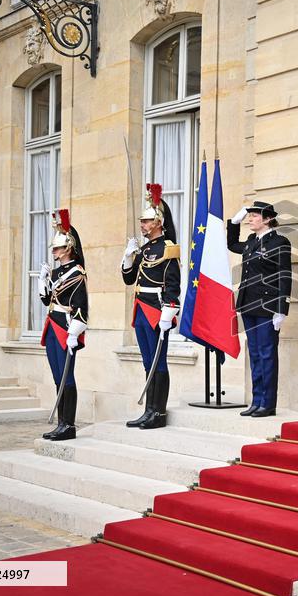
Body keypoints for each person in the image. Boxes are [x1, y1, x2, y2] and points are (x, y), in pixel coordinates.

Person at [121, 184, 180, 429]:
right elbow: (128, 278)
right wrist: (128, 256)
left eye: (146, 222)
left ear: (158, 223)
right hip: (141, 308)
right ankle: (149, 410)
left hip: (157, 310)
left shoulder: (168, 248)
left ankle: (159, 413)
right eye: (142, 221)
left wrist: (170, 309)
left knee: (159, 361)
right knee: (148, 361)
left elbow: (173, 282)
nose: (143, 225)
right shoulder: (144, 248)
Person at [228, 201, 292, 418]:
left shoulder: (280, 242)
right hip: (248, 304)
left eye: (254, 216)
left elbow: (285, 274)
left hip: (267, 306)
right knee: (254, 354)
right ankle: (256, 401)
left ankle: (268, 403)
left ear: (267, 219)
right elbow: (231, 244)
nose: (250, 219)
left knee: (267, 354)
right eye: (249, 216)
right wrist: (233, 222)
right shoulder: (251, 241)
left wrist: (281, 309)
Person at [38, 209, 87, 441]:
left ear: (68, 248)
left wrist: (74, 333)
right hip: (52, 325)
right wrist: (42, 281)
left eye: (57, 248)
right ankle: (61, 423)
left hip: (66, 329)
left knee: (67, 377)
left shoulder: (77, 273)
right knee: (58, 377)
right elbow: (48, 301)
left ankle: (68, 425)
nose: (54, 252)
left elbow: (81, 306)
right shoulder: (57, 271)